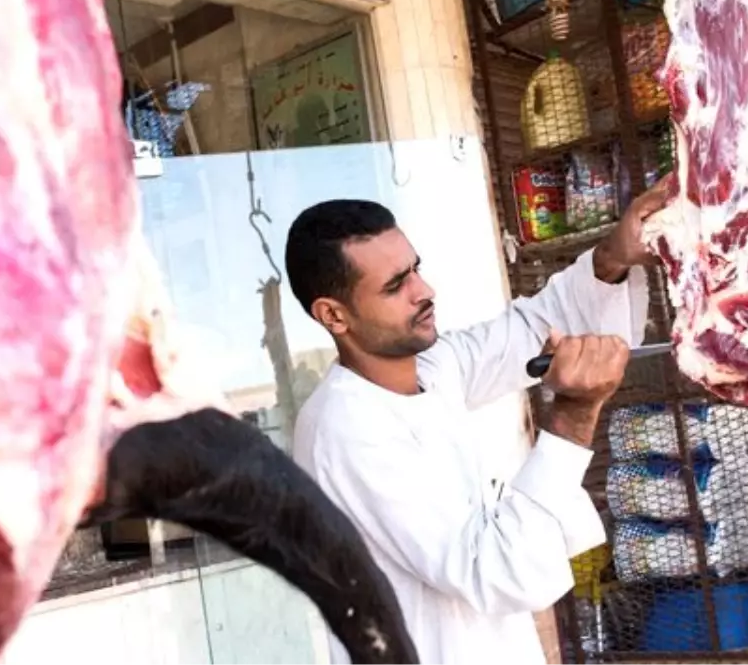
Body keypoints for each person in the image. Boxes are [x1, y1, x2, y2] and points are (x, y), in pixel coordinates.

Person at [284, 181, 670, 665]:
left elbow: (532, 327)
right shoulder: (344, 431)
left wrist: (613, 257)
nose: (423, 291)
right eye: (394, 285)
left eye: (415, 269)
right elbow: (496, 572)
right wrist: (573, 414)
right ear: (334, 316)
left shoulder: (430, 369)